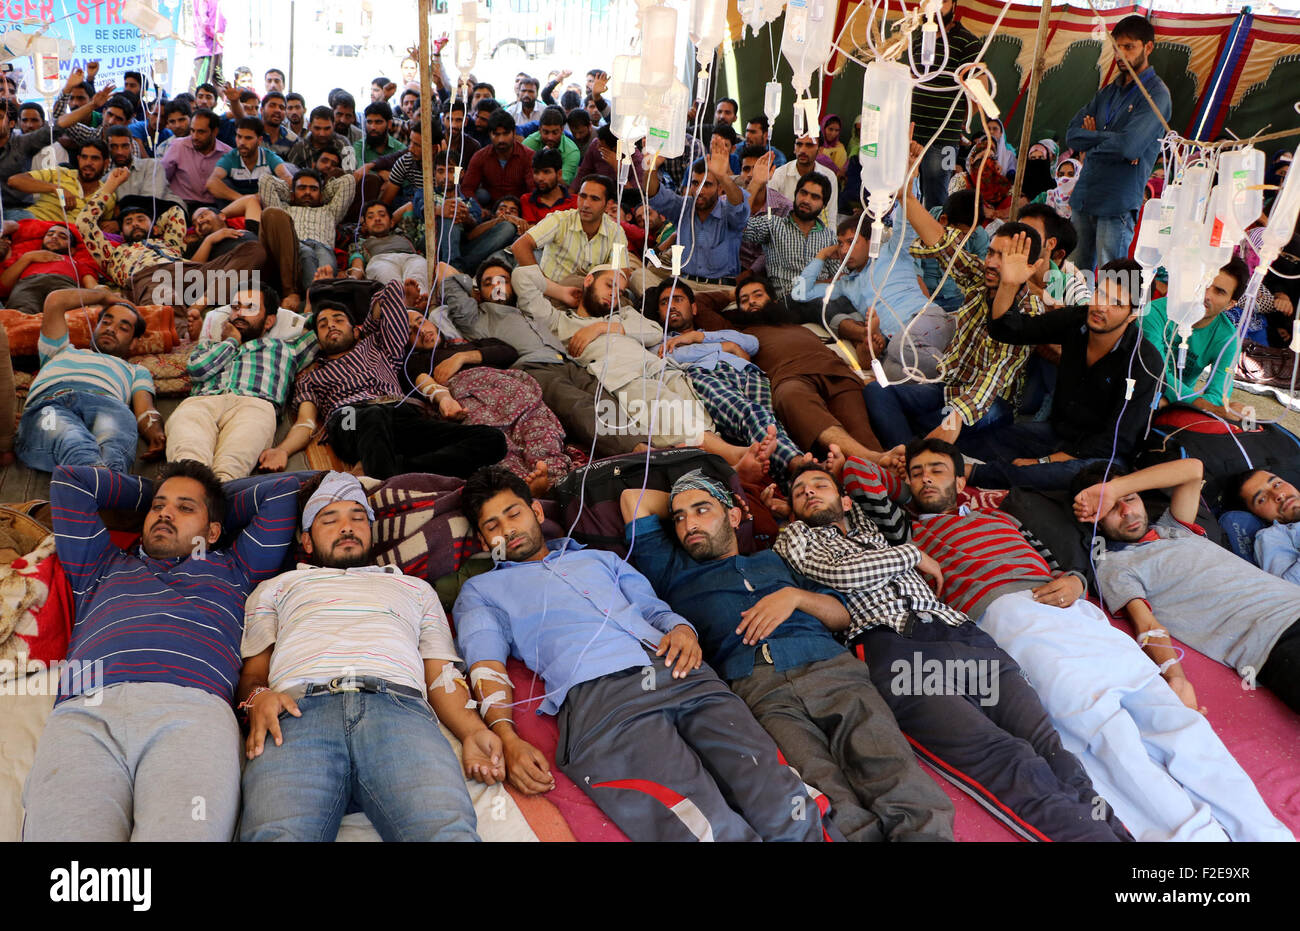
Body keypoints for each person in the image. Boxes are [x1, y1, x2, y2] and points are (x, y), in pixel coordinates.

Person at [834, 439, 1291, 841]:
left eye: (937, 469)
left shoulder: (1002, 517)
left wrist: (1074, 579)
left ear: (958, 475)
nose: (926, 479)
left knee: (1175, 721)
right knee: (1105, 736)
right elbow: (859, 476)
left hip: (1073, 608)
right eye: (916, 473)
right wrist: (886, 460)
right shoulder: (907, 529)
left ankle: (1264, 834)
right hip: (1006, 615)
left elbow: (1053, 557)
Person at [453, 466, 831, 842]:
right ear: (485, 542)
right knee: (701, 826)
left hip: (681, 670)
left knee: (774, 789)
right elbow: (486, 667)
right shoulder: (483, 590)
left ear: (536, 512)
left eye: (513, 513)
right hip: (604, 701)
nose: (508, 529)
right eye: (493, 525)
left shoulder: (601, 559)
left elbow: (654, 609)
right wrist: (507, 736)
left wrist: (682, 629)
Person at [775, 454, 1131, 841]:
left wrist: (854, 462)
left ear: (846, 501)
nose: (809, 492)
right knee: (1004, 756)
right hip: (894, 647)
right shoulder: (796, 537)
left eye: (820, 485)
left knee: (1049, 748)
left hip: (959, 632)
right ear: (792, 509)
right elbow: (844, 574)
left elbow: (861, 471)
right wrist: (912, 555)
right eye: (799, 492)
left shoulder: (871, 529)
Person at [619, 473, 956, 841]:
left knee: (886, 760)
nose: (689, 525)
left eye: (702, 511)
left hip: (830, 666)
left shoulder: (774, 558)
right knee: (820, 785)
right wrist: (690, 496)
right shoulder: (669, 569)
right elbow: (631, 497)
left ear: (734, 517)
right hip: (757, 688)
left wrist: (794, 598)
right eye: (679, 518)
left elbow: (841, 614)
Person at [22, 461, 298, 841]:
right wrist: (157, 492)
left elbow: (281, 491)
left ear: (214, 531)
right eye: (158, 506)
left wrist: (216, 498)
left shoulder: (237, 569)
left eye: (186, 508)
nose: (166, 512)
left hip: (192, 712)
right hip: (86, 713)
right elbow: (71, 480)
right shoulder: (100, 565)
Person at [236, 472, 497, 842]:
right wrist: (257, 698)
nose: (347, 527)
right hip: (296, 714)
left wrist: (473, 732)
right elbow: (253, 674)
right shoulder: (278, 587)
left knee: (447, 834)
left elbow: (440, 674)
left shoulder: (415, 588)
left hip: (398, 712)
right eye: (330, 519)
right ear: (306, 540)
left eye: (358, 518)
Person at [1081, 458, 1300, 716]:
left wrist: (1111, 492)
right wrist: (1176, 677)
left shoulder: (1173, 528)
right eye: (1109, 509)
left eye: (1129, 498)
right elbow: (1147, 625)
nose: (1126, 511)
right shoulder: (1115, 566)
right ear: (1092, 520)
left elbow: (1193, 469)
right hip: (1271, 638)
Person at [865, 167, 1047, 450]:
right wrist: (906, 197)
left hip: (987, 402)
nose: (992, 263)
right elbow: (942, 244)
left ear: (1029, 267)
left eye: (1005, 257)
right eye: (991, 253)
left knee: (940, 424)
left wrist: (954, 421)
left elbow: (993, 379)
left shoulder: (1030, 310)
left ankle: (920, 449)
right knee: (877, 392)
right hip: (946, 385)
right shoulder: (981, 276)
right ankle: (909, 457)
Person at [958, 245, 1162, 490]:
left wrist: (1042, 462)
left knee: (1050, 474)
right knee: (980, 443)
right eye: (1100, 293)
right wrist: (1009, 285)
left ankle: (976, 475)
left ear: (1133, 315)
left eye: (1116, 303)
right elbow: (1007, 330)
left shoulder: (1144, 361)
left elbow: (1120, 440)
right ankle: (952, 468)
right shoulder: (1077, 319)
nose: (1101, 307)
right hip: (1055, 434)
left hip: (1102, 456)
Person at [262, 278, 507, 480]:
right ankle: (388, 482)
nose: (331, 326)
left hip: (400, 414)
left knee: (491, 440)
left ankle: (398, 471)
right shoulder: (312, 377)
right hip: (348, 421)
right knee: (370, 414)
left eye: (338, 319)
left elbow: (391, 290)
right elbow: (305, 422)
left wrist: (368, 327)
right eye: (323, 325)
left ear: (355, 329)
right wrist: (282, 450)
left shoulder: (379, 348)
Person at [443, 260, 649, 459]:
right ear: (478, 292)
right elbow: (446, 274)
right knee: (577, 404)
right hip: (534, 368)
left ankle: (646, 445)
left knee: (606, 398)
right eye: (489, 283)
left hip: (568, 362)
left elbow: (524, 275)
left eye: (503, 280)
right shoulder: (477, 318)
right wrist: (473, 288)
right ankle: (634, 450)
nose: (498, 286)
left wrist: (560, 292)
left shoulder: (526, 310)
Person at [654, 278, 803, 479]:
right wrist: (728, 347)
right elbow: (669, 357)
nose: (671, 305)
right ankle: (799, 466)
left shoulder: (712, 333)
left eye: (678, 299)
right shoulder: (660, 343)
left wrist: (697, 338)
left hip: (749, 374)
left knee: (771, 427)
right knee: (751, 414)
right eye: (664, 302)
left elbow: (751, 343)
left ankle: (792, 488)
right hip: (705, 374)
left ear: (694, 308)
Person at [169, 284, 316, 481]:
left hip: (254, 406)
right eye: (236, 307)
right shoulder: (212, 345)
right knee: (187, 468)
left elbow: (327, 325)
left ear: (269, 321)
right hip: (201, 403)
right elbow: (197, 371)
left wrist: (310, 304)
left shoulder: (288, 348)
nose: (240, 314)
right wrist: (231, 342)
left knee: (229, 473)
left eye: (250, 308)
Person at [14, 288, 163, 474]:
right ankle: (107, 485)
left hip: (107, 405)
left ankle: (102, 481)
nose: (110, 328)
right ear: (96, 326)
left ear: (134, 342)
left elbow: (145, 410)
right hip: (51, 404)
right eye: (106, 322)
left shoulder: (136, 371)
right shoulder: (59, 350)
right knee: (71, 439)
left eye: (123, 328)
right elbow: (55, 301)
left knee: (112, 447)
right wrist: (103, 296)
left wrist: (155, 431)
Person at [1065, 14, 1172, 269]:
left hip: (1118, 201)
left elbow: (1130, 147)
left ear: (1148, 47)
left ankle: (1129, 310)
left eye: (1128, 47)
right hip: (1085, 195)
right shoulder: (1108, 91)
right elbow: (1072, 135)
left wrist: (1093, 140)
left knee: (1115, 281)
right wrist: (1114, 140)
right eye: (1116, 47)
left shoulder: (1157, 94)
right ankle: (1073, 311)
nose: (1120, 54)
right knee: (1073, 277)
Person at [76, 168, 267, 307]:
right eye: (129, 222)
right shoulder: (111, 253)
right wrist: (111, 186)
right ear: (120, 231)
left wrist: (155, 230)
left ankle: (201, 304)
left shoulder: (169, 242)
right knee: (163, 297)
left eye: (141, 219)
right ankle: (183, 325)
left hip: (190, 273)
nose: (135, 223)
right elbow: (84, 224)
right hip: (150, 277)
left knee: (253, 249)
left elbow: (175, 212)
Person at [640, 135, 750, 298]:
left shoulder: (730, 212)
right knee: (638, 277)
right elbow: (654, 194)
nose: (699, 190)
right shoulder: (683, 207)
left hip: (719, 291)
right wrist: (651, 166)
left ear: (720, 189)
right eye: (695, 183)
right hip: (685, 287)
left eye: (707, 184)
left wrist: (723, 176)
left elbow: (739, 205)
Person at [1140, 255, 1247, 420]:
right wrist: (1203, 406)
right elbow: (1155, 372)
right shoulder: (1154, 312)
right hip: (1140, 387)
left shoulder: (1229, 340)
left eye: (1219, 291)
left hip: (1182, 405)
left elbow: (1218, 393)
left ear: (1230, 304)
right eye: (1203, 284)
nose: (1206, 295)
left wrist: (1180, 404)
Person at [909, 0, 983, 207]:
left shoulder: (968, 42)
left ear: (954, 5)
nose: (935, 5)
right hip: (912, 135)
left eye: (943, 1)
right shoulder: (918, 38)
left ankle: (933, 239)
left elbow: (980, 86)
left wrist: (960, 120)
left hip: (943, 138)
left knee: (936, 199)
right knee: (906, 196)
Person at [511, 175, 626, 282]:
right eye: (582, 196)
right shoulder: (559, 220)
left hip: (589, 294)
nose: (586, 204)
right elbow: (520, 246)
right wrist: (547, 286)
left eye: (594, 199)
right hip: (552, 293)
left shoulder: (616, 232)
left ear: (608, 205)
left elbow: (620, 271)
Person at [741, 173, 834, 302]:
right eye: (803, 193)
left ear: (824, 205)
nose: (806, 200)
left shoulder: (830, 238)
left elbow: (842, 277)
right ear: (795, 194)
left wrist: (815, 284)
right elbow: (740, 226)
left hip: (819, 301)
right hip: (785, 303)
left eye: (815, 197)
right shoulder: (774, 225)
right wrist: (755, 184)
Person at [258, 168, 356, 289]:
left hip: (323, 247)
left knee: (326, 270)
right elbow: (265, 181)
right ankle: (314, 295)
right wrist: (290, 195)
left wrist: (322, 195)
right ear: (293, 193)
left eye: (313, 189)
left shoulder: (330, 211)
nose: (308, 192)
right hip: (295, 246)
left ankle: (314, 295)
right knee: (307, 253)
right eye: (302, 188)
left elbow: (348, 181)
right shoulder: (284, 209)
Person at [0, 220, 99, 314]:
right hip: (27, 286)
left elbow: (93, 286)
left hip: (63, 286)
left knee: (68, 319)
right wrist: (28, 258)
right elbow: (3, 286)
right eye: (50, 234)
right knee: (19, 319)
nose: (54, 237)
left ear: (72, 250)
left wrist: (102, 295)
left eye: (63, 237)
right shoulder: (26, 256)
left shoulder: (76, 263)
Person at [7, 139, 114, 223]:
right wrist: (56, 189)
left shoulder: (107, 194)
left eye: (94, 158)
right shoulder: (61, 173)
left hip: (61, 239)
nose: (88, 163)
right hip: (33, 221)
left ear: (106, 163)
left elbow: (104, 224)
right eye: (84, 157)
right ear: (78, 159)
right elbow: (14, 181)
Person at [348, 200, 428, 302]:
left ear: (392, 222)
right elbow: (357, 266)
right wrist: (353, 279)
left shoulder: (404, 233)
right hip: (381, 260)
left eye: (382, 215)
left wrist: (390, 221)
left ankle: (418, 300)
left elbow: (409, 206)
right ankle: (401, 302)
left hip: (411, 258)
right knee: (388, 277)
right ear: (365, 225)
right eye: (370, 217)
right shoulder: (359, 243)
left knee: (419, 271)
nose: (377, 219)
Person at [206, 116, 293, 206]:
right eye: (239, 136)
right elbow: (211, 183)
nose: (242, 142)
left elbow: (288, 180)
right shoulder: (230, 158)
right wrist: (244, 200)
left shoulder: (269, 157)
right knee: (223, 184)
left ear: (259, 140)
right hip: (238, 207)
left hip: (265, 207)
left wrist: (259, 198)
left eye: (248, 138)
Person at [162, 108, 232, 215]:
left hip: (214, 209)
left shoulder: (227, 153)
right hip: (181, 207)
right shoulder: (178, 146)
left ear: (215, 132)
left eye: (201, 132)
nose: (195, 136)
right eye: (192, 130)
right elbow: (163, 177)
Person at [461, 110, 534, 206]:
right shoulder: (480, 157)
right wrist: (478, 210)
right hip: (491, 210)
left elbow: (534, 189)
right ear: (489, 134)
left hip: (519, 208)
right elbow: (467, 188)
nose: (501, 139)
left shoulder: (528, 156)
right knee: (481, 195)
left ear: (514, 133)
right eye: (496, 134)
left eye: (506, 134)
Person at [768, 132, 838, 230]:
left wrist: (832, 242)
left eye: (809, 145)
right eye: (799, 144)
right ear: (794, 148)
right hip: (784, 235)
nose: (802, 150)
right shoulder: (778, 175)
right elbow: (769, 216)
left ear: (820, 150)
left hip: (818, 236)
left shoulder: (829, 176)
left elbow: (831, 216)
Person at [285, 105, 359, 173]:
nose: (322, 133)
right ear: (309, 126)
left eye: (327, 128)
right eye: (317, 128)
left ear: (333, 126)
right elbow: (288, 173)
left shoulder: (343, 143)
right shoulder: (299, 148)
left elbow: (351, 174)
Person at [521, 106, 580, 186]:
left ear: (562, 130)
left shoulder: (571, 151)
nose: (550, 137)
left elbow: (563, 183)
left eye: (555, 132)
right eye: (546, 132)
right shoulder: (529, 143)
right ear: (539, 129)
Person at [517, 148, 577, 225]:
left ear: (559, 174)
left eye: (546, 172)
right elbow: (531, 232)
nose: (540, 178)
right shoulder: (527, 200)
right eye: (536, 172)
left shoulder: (576, 202)